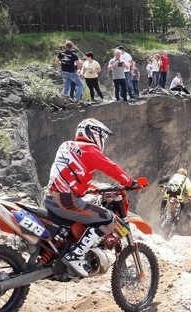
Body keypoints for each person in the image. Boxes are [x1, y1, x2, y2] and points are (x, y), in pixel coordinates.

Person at [44, 118, 140, 277]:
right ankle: (76, 256)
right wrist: (130, 182)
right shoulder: (89, 149)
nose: (102, 141)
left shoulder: (66, 145)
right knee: (107, 218)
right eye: (102, 137)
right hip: (66, 201)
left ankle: (70, 251)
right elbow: (111, 167)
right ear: (94, 134)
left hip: (51, 198)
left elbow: (71, 174)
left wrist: (94, 189)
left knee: (88, 212)